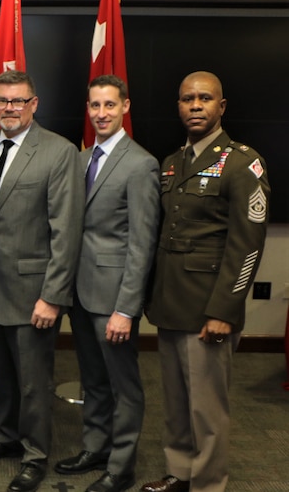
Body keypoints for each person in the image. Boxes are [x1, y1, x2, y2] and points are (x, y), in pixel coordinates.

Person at [140, 72, 270, 492]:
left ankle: (208, 483)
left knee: (208, 408)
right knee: (177, 401)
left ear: (221, 106)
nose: (195, 106)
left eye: (204, 99)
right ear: (178, 106)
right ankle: (180, 472)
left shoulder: (241, 162)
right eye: (187, 99)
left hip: (208, 308)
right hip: (170, 305)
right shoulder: (173, 163)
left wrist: (224, 311)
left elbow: (246, 245)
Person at [0, 70, 84, 492]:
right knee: (1, 372)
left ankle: (35, 454)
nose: (9, 108)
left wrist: (53, 296)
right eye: (1, 101)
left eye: (18, 101)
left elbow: (65, 230)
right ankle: (7, 437)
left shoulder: (58, 151)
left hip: (35, 291)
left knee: (34, 381)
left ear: (34, 104)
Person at [53, 75, 160, 492]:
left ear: (125, 107)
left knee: (124, 385)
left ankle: (121, 466)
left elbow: (142, 242)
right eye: (94, 106)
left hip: (114, 298)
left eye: (109, 106)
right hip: (80, 294)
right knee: (92, 378)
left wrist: (126, 308)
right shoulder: (80, 160)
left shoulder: (141, 164)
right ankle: (95, 447)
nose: (101, 114)